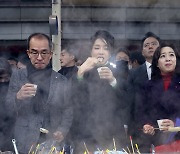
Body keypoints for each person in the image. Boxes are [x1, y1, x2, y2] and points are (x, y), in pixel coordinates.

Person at [5, 33, 73, 154]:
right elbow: (7, 107)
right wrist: (18, 96)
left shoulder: (62, 80)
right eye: (35, 52)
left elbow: (68, 109)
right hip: (24, 141)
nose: (40, 57)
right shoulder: (18, 76)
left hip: (52, 143)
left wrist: (62, 130)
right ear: (28, 53)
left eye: (44, 52)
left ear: (51, 54)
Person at [71, 30, 127, 153]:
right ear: (91, 51)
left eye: (105, 48)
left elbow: (125, 102)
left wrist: (113, 81)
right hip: (86, 135)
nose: (101, 51)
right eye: (97, 48)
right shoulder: (82, 71)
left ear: (110, 52)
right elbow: (73, 100)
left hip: (112, 135)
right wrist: (80, 73)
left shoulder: (119, 71)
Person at [137, 43, 180, 148]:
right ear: (157, 63)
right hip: (155, 142)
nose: (168, 59)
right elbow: (140, 112)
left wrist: (176, 124)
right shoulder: (147, 85)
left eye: (171, 55)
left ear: (176, 60)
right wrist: (146, 125)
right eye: (163, 56)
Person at [127, 32, 161, 152]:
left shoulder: (168, 72)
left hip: (163, 131)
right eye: (146, 45)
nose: (150, 47)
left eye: (154, 44)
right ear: (142, 52)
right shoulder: (133, 73)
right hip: (140, 130)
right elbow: (131, 103)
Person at [0, 57, 15, 152]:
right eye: (0, 78)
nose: (3, 81)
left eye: (6, 78)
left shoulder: (15, 86)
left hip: (12, 130)